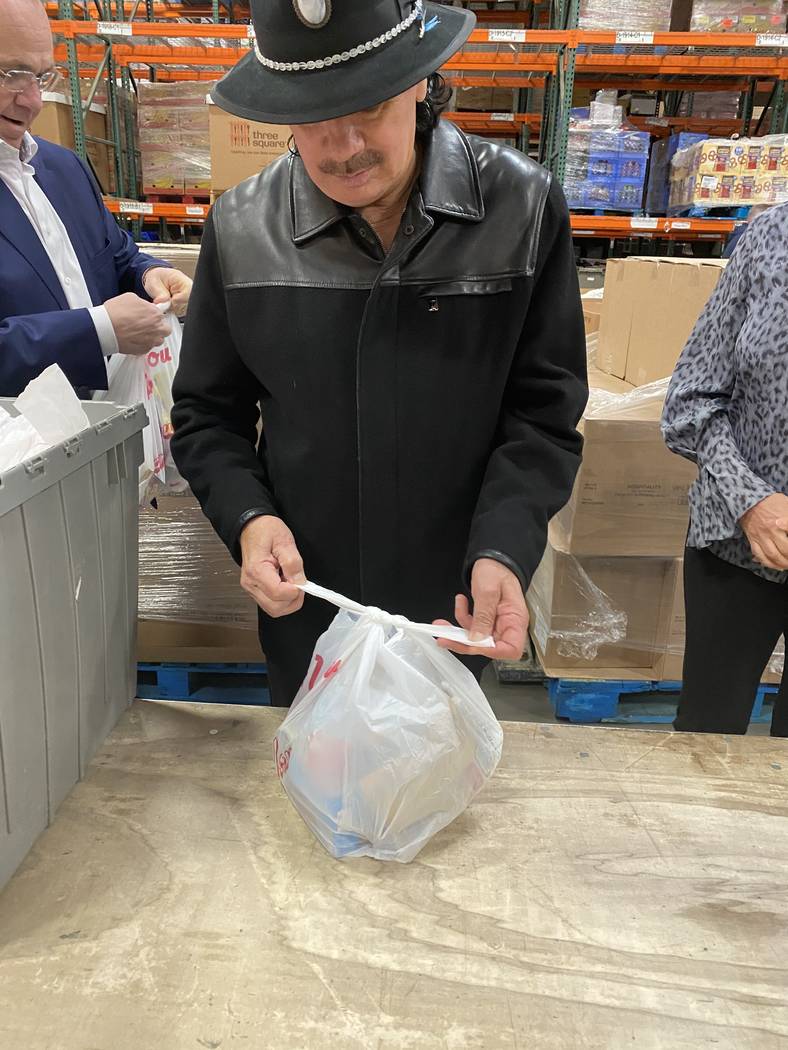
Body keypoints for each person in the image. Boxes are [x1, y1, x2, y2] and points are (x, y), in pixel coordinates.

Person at [171, 0, 588, 706]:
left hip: (455, 614)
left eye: (367, 106)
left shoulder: (522, 209)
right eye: (310, 116)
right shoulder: (240, 229)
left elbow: (543, 417)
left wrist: (504, 547)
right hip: (309, 618)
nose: (342, 147)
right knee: (314, 806)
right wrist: (250, 516)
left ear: (421, 79)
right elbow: (208, 416)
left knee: (434, 801)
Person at [0, 0, 193, 397]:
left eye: (42, 76)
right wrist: (97, 330)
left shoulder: (63, 169)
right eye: (12, 75)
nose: (33, 101)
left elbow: (116, 254)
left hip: (108, 432)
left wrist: (148, 273)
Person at [662, 201, 787, 736]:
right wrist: (751, 502)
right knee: (706, 735)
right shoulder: (769, 239)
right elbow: (689, 400)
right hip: (736, 542)